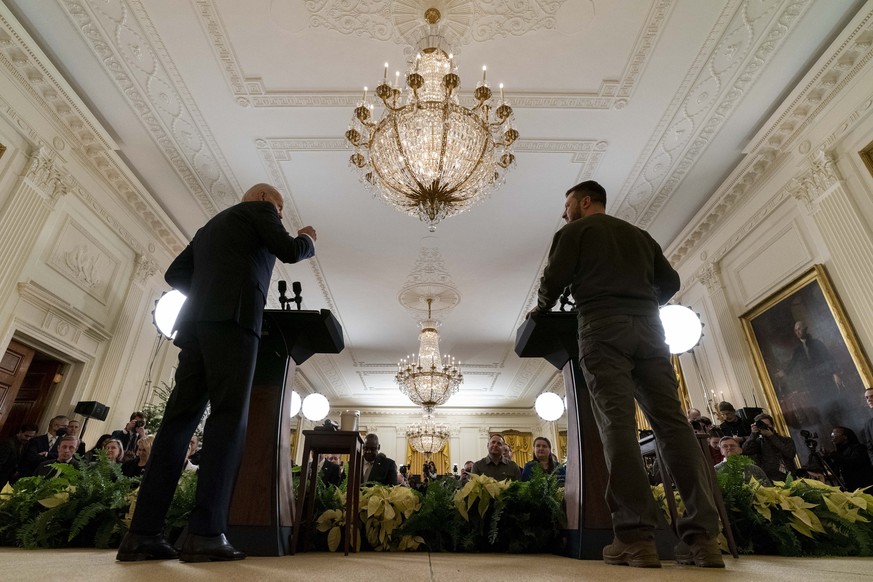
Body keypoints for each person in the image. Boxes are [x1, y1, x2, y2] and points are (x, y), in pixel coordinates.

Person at [116, 183, 317, 563]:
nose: (279, 214)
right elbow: (289, 251)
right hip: (235, 323)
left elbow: (176, 273)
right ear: (262, 200)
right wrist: (306, 239)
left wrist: (212, 290)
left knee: (177, 426)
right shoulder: (258, 212)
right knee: (227, 423)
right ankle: (206, 534)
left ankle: (142, 534)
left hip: (196, 329)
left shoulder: (209, 228)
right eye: (279, 207)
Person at [529, 180, 722, 568]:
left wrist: (542, 306)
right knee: (673, 425)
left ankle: (635, 538)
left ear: (585, 202)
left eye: (567, 205)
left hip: (602, 327)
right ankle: (702, 540)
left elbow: (554, 276)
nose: (564, 213)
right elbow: (670, 282)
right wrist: (642, 303)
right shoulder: (640, 235)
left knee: (617, 426)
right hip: (651, 329)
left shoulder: (574, 231)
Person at [741, 413, 796, 482]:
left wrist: (771, 436)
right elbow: (745, 451)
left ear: (773, 425)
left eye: (767, 425)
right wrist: (753, 434)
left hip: (789, 478)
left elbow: (790, 454)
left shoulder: (786, 440)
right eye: (761, 426)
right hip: (769, 480)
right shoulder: (758, 442)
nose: (764, 428)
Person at [824, 426, 873, 491]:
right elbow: (835, 472)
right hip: (849, 489)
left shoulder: (858, 448)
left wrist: (834, 455)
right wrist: (827, 458)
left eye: (835, 434)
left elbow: (853, 463)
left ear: (845, 437)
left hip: (862, 487)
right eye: (831, 435)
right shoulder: (840, 453)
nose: (832, 437)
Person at [0, 422, 38, 488]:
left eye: (31, 437)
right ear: (20, 432)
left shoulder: (26, 444)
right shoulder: (8, 444)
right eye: (26, 436)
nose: (28, 439)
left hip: (10, 480)